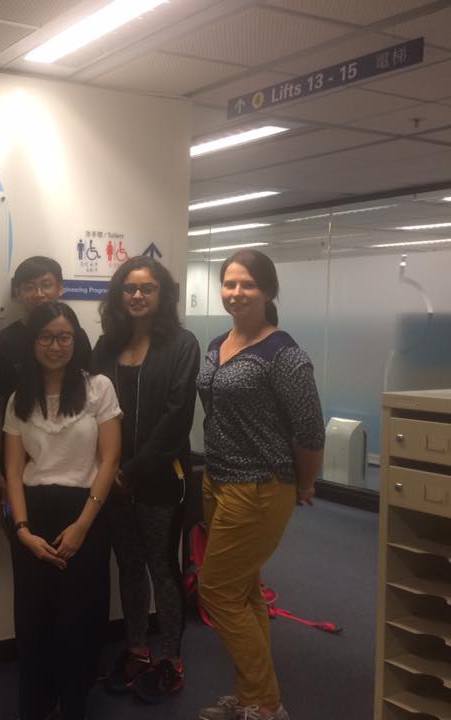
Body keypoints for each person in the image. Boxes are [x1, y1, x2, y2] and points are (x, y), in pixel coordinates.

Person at [195, 249, 324, 720]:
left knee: (216, 591)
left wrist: (304, 485)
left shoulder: (284, 354)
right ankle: (253, 697)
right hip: (217, 480)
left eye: (247, 284)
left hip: (260, 485)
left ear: (268, 291)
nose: (236, 292)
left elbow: (310, 431)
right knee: (243, 591)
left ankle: (265, 705)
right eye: (229, 283)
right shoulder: (217, 344)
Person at [4, 301, 121, 720]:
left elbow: (109, 460)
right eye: (46, 337)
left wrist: (82, 526)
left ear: (76, 340)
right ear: (32, 342)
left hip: (86, 511)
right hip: (32, 514)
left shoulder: (99, 388)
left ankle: (74, 703)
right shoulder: (19, 398)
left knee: (79, 620)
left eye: (64, 337)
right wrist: (21, 529)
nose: (55, 346)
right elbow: (13, 471)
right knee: (33, 621)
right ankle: (37, 704)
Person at [91, 256, 200, 703]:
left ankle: (171, 659)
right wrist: (108, 469)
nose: (137, 296)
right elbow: (91, 408)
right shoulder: (105, 346)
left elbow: (177, 417)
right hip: (112, 477)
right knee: (130, 566)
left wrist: (130, 472)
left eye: (147, 288)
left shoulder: (182, 344)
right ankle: (136, 649)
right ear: (119, 295)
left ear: (162, 294)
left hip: (159, 479)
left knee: (163, 567)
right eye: (130, 288)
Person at [0, 256, 93, 512]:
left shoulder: (77, 338)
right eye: (29, 287)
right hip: (17, 456)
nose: (39, 294)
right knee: (19, 527)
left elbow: (91, 402)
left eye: (46, 285)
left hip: (74, 464)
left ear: (60, 288)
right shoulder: (1, 343)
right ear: (17, 292)